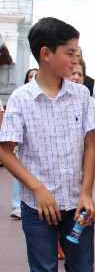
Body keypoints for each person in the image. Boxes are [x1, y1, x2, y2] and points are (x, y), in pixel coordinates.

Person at [0, 17, 95, 272]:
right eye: (69, 53)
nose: (75, 60)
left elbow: (89, 146)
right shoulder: (22, 99)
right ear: (45, 54)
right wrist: (37, 188)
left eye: (77, 53)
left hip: (77, 209)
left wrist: (86, 193)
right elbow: (5, 151)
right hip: (37, 210)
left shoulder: (82, 95)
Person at [70, 60, 95, 202]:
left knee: (86, 197)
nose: (75, 77)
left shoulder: (91, 101)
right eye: (72, 73)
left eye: (79, 74)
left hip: (88, 154)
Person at [9, 68, 38, 220]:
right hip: (21, 145)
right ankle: (16, 205)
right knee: (18, 171)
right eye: (30, 76)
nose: (33, 78)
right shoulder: (20, 96)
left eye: (35, 75)